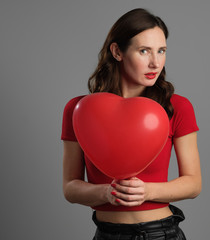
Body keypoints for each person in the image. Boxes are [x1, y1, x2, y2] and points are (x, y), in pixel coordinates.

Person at [61, 8, 201, 240]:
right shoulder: (79, 110)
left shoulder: (176, 106)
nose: (155, 63)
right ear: (117, 51)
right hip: (106, 234)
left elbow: (194, 183)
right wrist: (106, 193)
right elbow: (70, 187)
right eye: (144, 51)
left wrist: (147, 191)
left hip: (160, 233)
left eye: (161, 51)